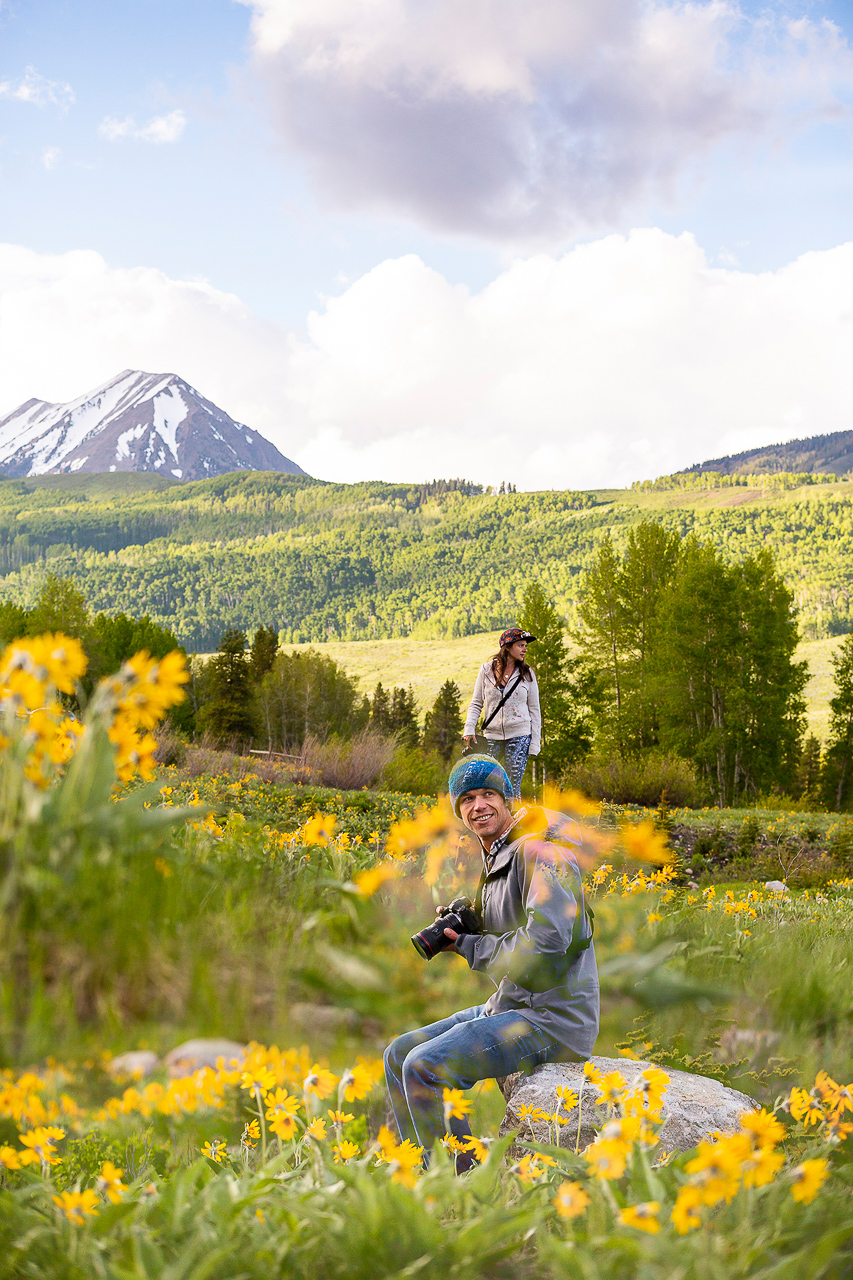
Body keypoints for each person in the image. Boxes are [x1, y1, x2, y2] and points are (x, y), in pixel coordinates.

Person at [383, 754, 598, 1171]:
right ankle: (421, 1170)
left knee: (426, 1065)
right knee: (399, 1053)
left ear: (507, 799)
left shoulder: (541, 851)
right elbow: (513, 922)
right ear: (457, 809)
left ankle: (459, 1183)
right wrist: (467, 925)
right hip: (514, 1004)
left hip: (554, 1018)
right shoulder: (500, 854)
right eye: (467, 799)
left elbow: (549, 941)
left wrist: (471, 947)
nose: (478, 805)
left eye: (488, 795)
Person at [462, 628, 541, 799]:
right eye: (521, 645)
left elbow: (535, 710)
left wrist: (534, 743)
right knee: (485, 782)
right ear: (507, 647)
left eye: (525, 646)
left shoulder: (527, 674)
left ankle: (513, 824)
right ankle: (488, 821)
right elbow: (476, 703)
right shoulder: (486, 671)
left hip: (520, 735)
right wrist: (469, 729)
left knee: (511, 786)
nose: (525, 649)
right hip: (491, 735)